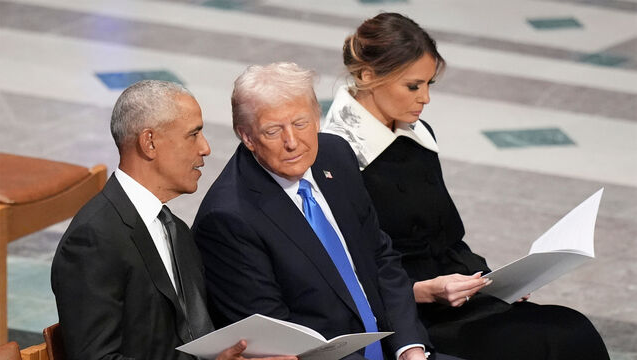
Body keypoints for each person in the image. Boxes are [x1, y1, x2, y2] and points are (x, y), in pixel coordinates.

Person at [322, 12, 610, 360]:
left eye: (429, 84)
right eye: (414, 86)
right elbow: (345, 275)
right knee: (548, 342)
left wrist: (496, 280)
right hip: (408, 319)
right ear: (368, 76)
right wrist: (425, 291)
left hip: (459, 297)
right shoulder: (336, 158)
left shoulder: (419, 135)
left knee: (572, 327)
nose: (425, 98)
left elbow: (445, 237)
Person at [193, 63, 463, 360]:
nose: (292, 143)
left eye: (301, 123)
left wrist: (410, 349)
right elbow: (281, 340)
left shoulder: (335, 154)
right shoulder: (228, 219)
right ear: (246, 136)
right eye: (273, 131)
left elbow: (380, 258)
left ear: (317, 117)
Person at [51, 80, 297, 360]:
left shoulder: (174, 227)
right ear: (150, 142)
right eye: (193, 135)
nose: (205, 148)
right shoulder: (93, 239)